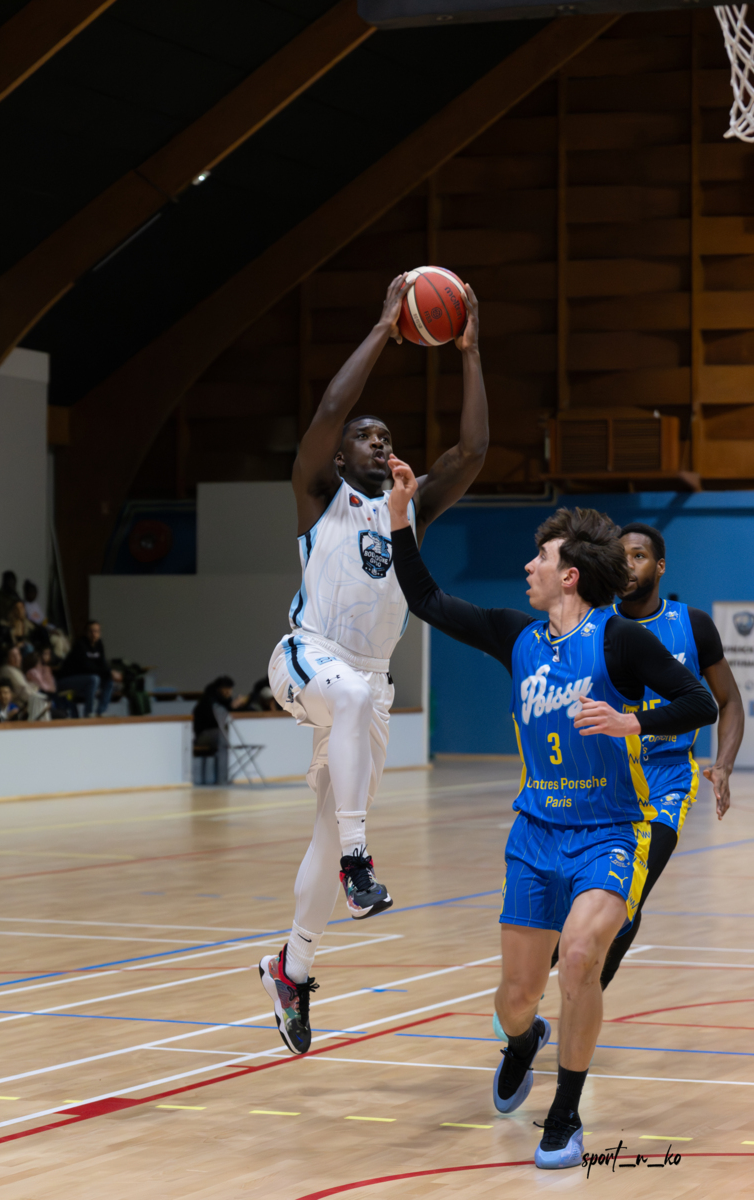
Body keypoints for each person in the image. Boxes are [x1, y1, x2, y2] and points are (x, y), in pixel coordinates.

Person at [386, 471, 718, 1169]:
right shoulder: (515, 636)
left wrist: (633, 720)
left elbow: (700, 702)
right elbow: (425, 599)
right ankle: (523, 1039)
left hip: (610, 832)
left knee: (581, 957)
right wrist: (397, 519)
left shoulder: (621, 640)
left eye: (539, 558)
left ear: (570, 575)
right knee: (516, 998)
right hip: (535, 835)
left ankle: (564, 1115)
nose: (527, 567)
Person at [259, 275, 489, 1056]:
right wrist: (387, 326)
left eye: (388, 436)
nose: (380, 442)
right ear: (340, 453)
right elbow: (331, 407)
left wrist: (469, 351)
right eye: (367, 436)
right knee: (352, 702)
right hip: (306, 656)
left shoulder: (407, 508)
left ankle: (292, 969)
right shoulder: (317, 493)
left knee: (327, 832)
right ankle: (362, 866)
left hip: (370, 687)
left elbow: (473, 451)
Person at [548, 523, 743, 991]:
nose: (629, 565)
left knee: (628, 895)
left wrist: (723, 764)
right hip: (607, 778)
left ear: (660, 566)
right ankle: (530, 993)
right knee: (570, 901)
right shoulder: (594, 624)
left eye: (638, 556)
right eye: (621, 557)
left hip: (668, 777)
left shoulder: (692, 625)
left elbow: (729, 701)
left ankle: (586, 997)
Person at [58, 620, 119, 716]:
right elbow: (86, 668)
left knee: (108, 680)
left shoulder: (99, 644)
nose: (94, 634)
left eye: (96, 631)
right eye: (91, 631)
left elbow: (103, 664)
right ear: (86, 632)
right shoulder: (80, 645)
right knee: (94, 679)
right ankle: (89, 712)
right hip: (68, 680)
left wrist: (110, 672)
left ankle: (101, 711)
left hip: (86, 679)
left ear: (100, 633)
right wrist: (107, 672)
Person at [193, 676, 247, 784]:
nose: (228, 692)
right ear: (218, 689)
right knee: (224, 736)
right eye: (225, 688)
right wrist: (231, 708)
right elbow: (216, 721)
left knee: (228, 735)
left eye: (230, 689)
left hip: (218, 733)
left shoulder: (226, 701)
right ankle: (223, 778)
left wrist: (240, 706)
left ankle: (234, 776)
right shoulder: (209, 701)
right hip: (204, 734)